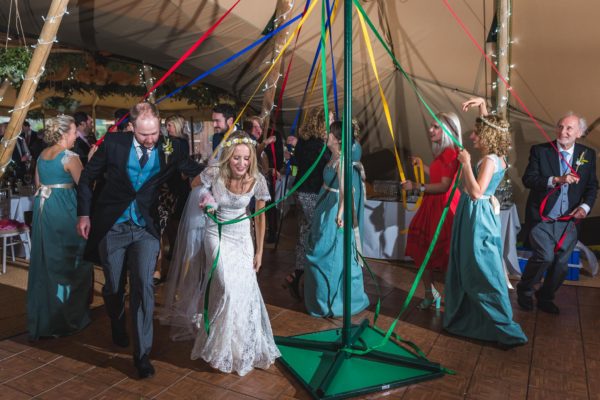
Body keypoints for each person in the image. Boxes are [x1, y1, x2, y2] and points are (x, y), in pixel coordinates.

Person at [76, 102, 204, 379]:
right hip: (113, 225)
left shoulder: (172, 146)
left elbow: (192, 169)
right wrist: (84, 215)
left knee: (144, 286)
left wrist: (220, 173)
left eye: (155, 133)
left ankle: (142, 354)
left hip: (145, 227)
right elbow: (87, 178)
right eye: (144, 135)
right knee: (112, 286)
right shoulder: (113, 143)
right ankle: (117, 321)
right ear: (132, 127)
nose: (151, 140)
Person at [163, 131, 280, 376]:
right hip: (215, 233)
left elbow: (260, 219)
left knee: (243, 288)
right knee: (226, 286)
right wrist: (206, 199)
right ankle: (218, 341)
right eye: (236, 158)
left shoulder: (257, 180)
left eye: (246, 158)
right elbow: (193, 185)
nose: (241, 163)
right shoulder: (214, 172)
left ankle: (237, 345)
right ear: (228, 157)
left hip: (241, 236)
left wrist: (259, 251)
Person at [443, 109, 527, 348]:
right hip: (477, 214)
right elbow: (495, 123)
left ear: (489, 136)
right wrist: (482, 106)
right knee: (474, 264)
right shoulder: (498, 154)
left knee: (479, 266)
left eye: (478, 133)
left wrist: (467, 164)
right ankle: (473, 318)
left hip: (477, 215)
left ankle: (502, 325)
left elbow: (477, 192)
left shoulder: (489, 160)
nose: (472, 137)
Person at [517, 113, 598, 314]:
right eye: (560, 127)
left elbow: (591, 187)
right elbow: (528, 179)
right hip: (541, 218)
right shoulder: (541, 151)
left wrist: (585, 207)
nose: (563, 132)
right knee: (544, 256)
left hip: (568, 220)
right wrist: (556, 180)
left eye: (569, 128)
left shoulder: (587, 154)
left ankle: (545, 296)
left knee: (562, 263)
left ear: (579, 133)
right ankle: (525, 290)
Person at [27, 115, 93, 341]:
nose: (76, 135)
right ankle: (68, 319)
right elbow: (85, 187)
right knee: (74, 263)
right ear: (65, 134)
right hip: (64, 210)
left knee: (48, 263)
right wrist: (91, 162)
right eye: (74, 131)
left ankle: (46, 320)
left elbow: (38, 185)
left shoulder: (41, 156)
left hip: (43, 210)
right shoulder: (70, 157)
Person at [303, 120, 370, 317]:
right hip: (324, 205)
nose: (327, 136)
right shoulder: (332, 156)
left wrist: (340, 214)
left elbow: (345, 191)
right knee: (320, 248)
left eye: (330, 134)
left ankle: (330, 302)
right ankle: (320, 298)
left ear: (338, 139)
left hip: (332, 210)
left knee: (328, 253)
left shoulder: (341, 161)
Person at [402, 112, 462, 310]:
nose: (430, 130)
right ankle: (430, 293)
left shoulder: (451, 153)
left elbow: (444, 186)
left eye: (436, 127)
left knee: (443, 254)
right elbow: (439, 176)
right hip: (433, 205)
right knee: (423, 250)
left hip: (443, 207)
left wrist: (416, 186)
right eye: (431, 126)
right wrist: (424, 166)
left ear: (448, 130)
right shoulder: (444, 152)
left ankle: (451, 299)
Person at [282, 107, 329, 299]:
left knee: (304, 234)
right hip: (312, 193)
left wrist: (293, 183)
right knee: (314, 235)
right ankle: (304, 277)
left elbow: (294, 165)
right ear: (321, 122)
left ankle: (298, 274)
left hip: (301, 192)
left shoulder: (302, 142)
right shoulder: (321, 146)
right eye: (329, 119)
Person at [155, 115, 192, 285]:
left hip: (176, 187)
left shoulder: (181, 142)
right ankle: (170, 257)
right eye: (166, 125)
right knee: (167, 222)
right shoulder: (168, 141)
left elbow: (177, 162)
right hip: (166, 185)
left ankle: (176, 256)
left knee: (175, 222)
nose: (167, 128)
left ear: (176, 125)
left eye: (169, 125)